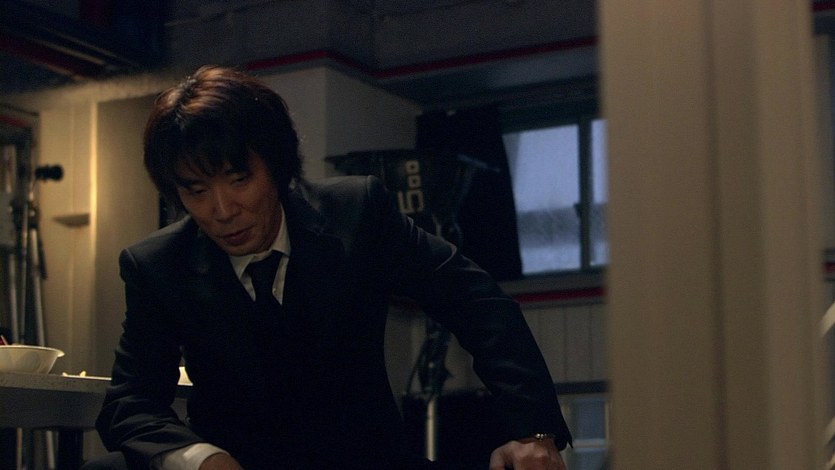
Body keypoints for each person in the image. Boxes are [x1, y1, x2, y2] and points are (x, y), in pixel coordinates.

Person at [85, 65, 572, 470]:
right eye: (196, 191)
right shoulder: (158, 265)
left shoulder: (356, 214)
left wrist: (532, 432)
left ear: (275, 165)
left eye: (239, 179)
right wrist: (199, 458)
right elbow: (130, 402)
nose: (222, 209)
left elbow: (475, 302)